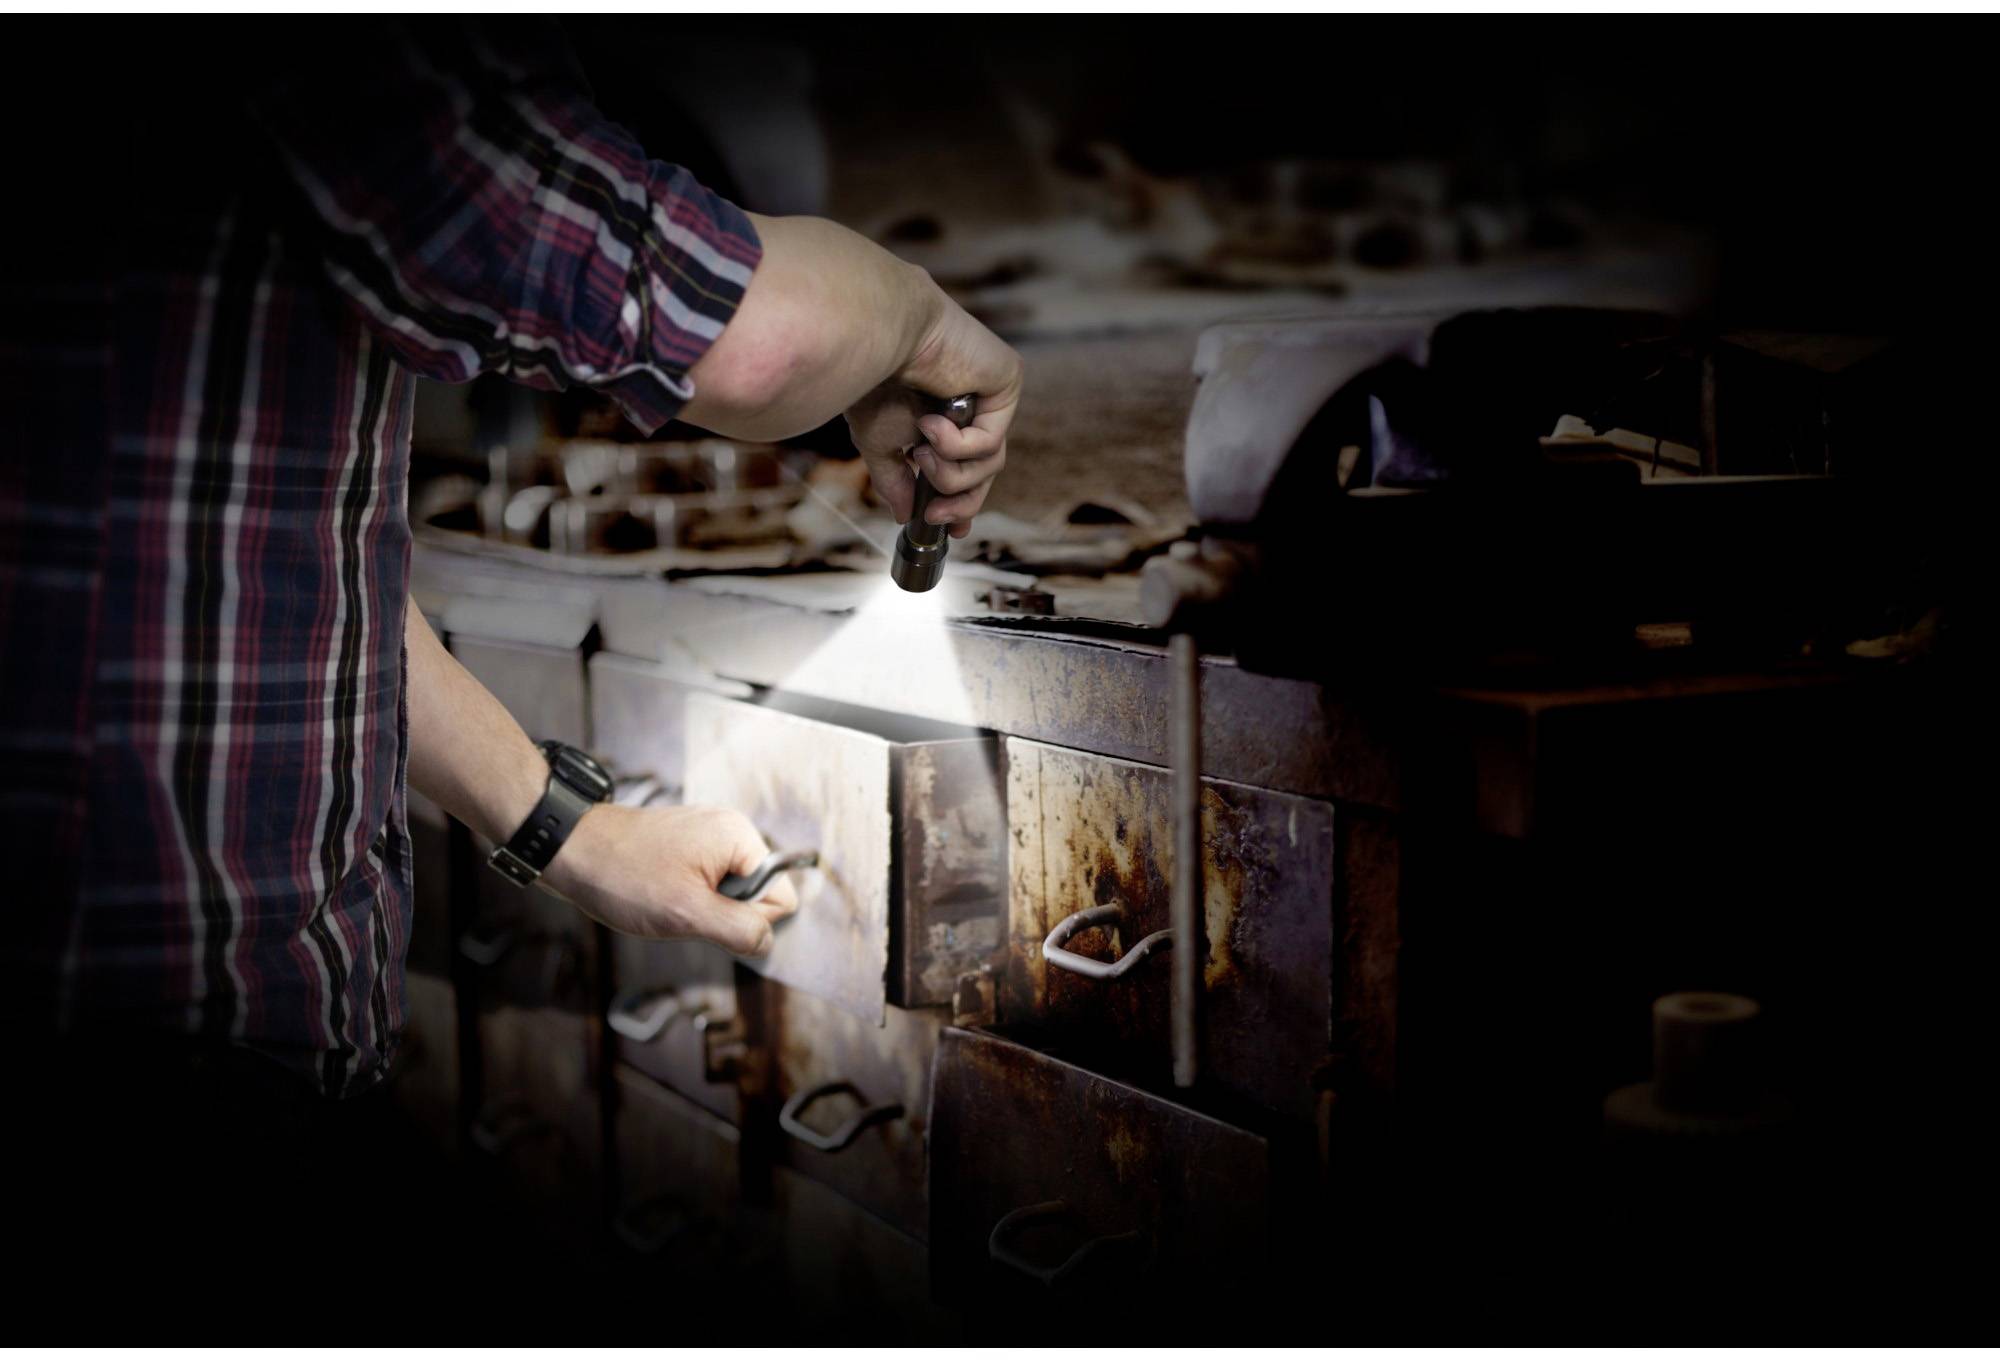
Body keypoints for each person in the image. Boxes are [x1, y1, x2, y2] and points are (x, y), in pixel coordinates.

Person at [0, 18, 1020, 1291]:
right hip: (151, 1088)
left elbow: (277, 584)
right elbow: (745, 337)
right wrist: (922, 325)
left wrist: (570, 833)